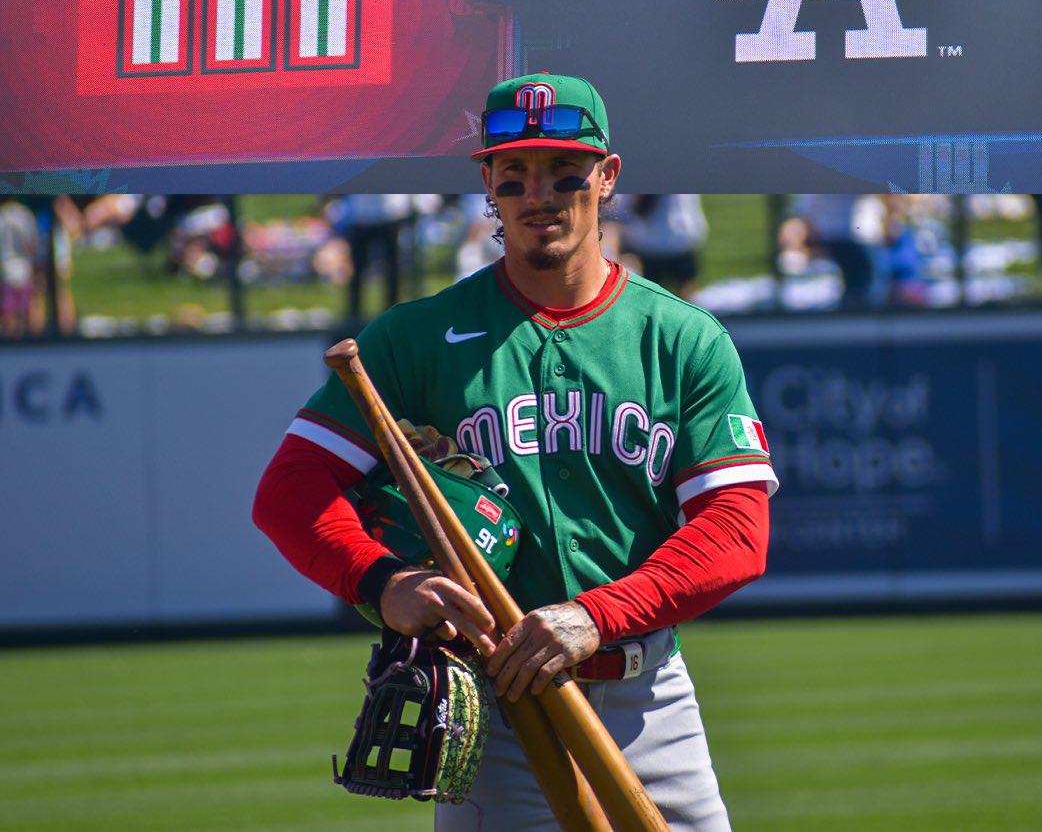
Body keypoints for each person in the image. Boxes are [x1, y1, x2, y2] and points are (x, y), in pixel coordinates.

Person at [253, 73, 776, 830]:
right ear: (487, 185)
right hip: (494, 702)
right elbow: (293, 491)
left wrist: (596, 615)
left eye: (565, 172)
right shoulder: (415, 338)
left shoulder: (682, 340)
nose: (541, 195)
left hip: (644, 690)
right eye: (515, 174)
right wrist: (383, 581)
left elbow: (736, 529)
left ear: (608, 176)